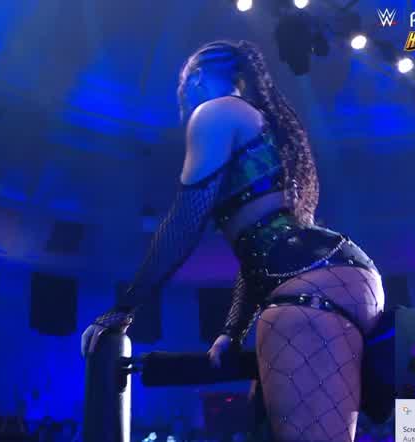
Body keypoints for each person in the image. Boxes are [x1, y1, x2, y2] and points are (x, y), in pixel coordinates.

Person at [81, 40, 385, 442]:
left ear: (196, 77)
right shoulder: (267, 126)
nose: (183, 97)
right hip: (344, 278)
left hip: (309, 288)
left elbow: (185, 221)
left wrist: (124, 308)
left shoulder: (216, 112)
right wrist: (233, 330)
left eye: (183, 85)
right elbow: (260, 255)